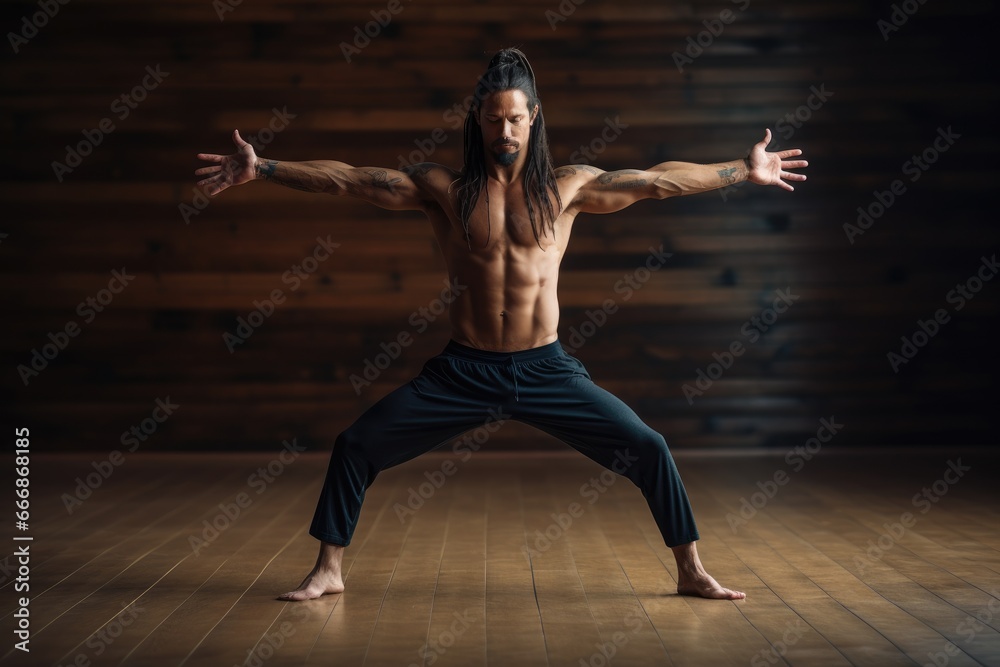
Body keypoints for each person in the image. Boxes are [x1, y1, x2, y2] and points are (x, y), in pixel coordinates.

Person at [195, 48, 806, 602]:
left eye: (515, 118)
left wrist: (740, 169)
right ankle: (329, 568)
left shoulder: (569, 188)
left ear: (533, 117)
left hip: (546, 368)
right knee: (355, 445)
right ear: (477, 120)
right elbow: (354, 179)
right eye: (494, 119)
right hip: (464, 369)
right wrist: (265, 167)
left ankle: (690, 569)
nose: (505, 130)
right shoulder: (445, 190)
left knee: (648, 446)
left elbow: (655, 182)